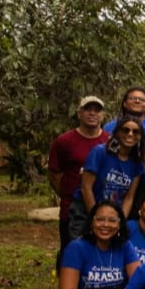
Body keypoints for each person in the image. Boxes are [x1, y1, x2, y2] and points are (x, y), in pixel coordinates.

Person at [49, 96, 109, 250]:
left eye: (97, 110)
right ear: (79, 113)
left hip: (101, 205)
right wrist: (66, 194)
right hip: (71, 208)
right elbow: (54, 173)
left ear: (103, 115)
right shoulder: (64, 141)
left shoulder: (109, 141)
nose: (92, 114)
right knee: (70, 249)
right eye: (87, 109)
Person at [74, 117, 144, 239]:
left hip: (113, 216)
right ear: (117, 132)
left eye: (135, 131)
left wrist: (120, 221)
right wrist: (96, 217)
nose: (130, 134)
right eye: (125, 130)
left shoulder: (137, 163)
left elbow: (129, 197)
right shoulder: (100, 152)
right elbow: (86, 187)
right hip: (86, 211)